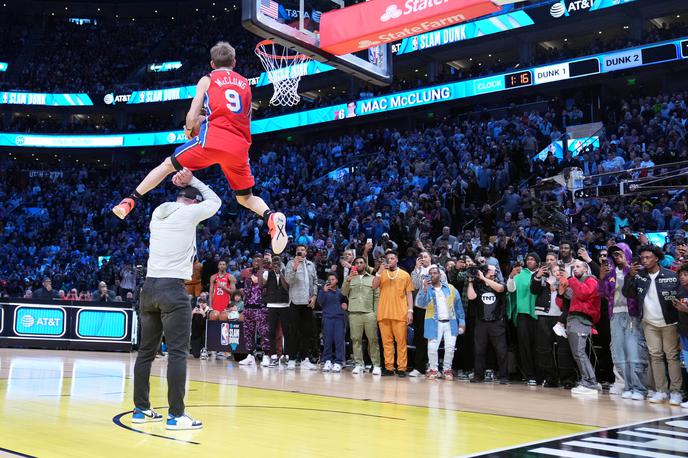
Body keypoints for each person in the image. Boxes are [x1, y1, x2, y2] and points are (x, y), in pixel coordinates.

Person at [112, 41, 287, 254]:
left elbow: (192, 114)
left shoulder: (208, 79)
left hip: (212, 141)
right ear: (234, 62)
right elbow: (244, 117)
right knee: (245, 198)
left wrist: (188, 129)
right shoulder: (245, 83)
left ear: (212, 63)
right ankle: (271, 217)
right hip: (239, 145)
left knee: (167, 165)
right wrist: (205, 121)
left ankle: (129, 201)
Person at [132, 168, 220, 430]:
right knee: (178, 354)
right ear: (194, 201)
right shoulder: (190, 212)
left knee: (145, 353)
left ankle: (141, 409)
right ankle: (176, 415)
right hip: (173, 289)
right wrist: (193, 179)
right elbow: (216, 201)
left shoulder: (158, 213)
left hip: (149, 288)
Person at [622, 244, 682, 405]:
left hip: (669, 322)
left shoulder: (671, 275)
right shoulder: (639, 276)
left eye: (648, 257)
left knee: (672, 357)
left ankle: (676, 392)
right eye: (642, 258)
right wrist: (630, 276)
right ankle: (661, 390)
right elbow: (628, 293)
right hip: (649, 323)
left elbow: (681, 295)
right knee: (655, 357)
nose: (644, 260)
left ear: (656, 258)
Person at [600, 243, 648, 401]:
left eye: (620, 253)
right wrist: (603, 277)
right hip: (615, 315)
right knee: (620, 353)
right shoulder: (611, 273)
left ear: (627, 252)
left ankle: (639, 388)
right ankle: (627, 386)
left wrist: (630, 270)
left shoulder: (636, 270)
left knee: (635, 351)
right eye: (614, 254)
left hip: (632, 314)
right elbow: (603, 293)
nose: (617, 256)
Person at [530, 260, 577, 389]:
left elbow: (572, 298)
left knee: (564, 349)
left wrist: (566, 280)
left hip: (561, 317)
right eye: (554, 271)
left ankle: (567, 379)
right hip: (543, 316)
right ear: (550, 271)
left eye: (558, 271)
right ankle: (550, 378)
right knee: (544, 349)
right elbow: (533, 290)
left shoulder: (567, 281)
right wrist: (538, 276)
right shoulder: (542, 280)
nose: (556, 273)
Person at [558, 260, 601, 396]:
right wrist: (561, 290)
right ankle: (588, 381)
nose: (575, 269)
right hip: (572, 318)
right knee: (577, 353)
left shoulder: (591, 280)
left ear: (586, 269)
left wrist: (570, 279)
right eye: (573, 267)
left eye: (578, 267)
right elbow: (561, 304)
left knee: (579, 352)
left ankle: (590, 383)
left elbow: (583, 294)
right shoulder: (574, 282)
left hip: (582, 319)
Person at [417, 265, 465, 380]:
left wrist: (462, 322)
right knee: (432, 348)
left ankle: (447, 370)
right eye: (430, 273)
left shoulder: (451, 288)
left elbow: (458, 306)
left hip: (451, 323)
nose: (432, 275)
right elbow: (421, 304)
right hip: (433, 323)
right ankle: (433, 369)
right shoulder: (426, 289)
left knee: (450, 348)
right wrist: (424, 289)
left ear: (440, 275)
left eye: (434, 273)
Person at [373, 251, 414, 377]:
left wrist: (410, 311)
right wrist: (379, 272)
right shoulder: (382, 274)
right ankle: (389, 367)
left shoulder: (405, 275)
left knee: (401, 342)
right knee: (386, 343)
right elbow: (373, 286)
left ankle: (401, 368)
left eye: (392, 258)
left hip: (400, 313)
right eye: (388, 258)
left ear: (396, 260)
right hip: (384, 313)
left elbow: (409, 294)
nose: (389, 260)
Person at [468, 264, 509, 384]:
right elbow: (471, 297)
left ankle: (504, 376)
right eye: (491, 271)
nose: (494, 273)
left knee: (501, 350)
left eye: (495, 271)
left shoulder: (499, 283)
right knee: (479, 350)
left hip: (496, 322)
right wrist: (471, 281)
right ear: (485, 272)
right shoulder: (478, 285)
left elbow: (500, 289)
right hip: (481, 322)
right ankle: (478, 375)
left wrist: (484, 278)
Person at [342, 256, 381, 375]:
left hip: (369, 313)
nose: (359, 264)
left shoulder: (372, 278)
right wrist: (348, 279)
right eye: (357, 263)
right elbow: (343, 292)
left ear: (365, 265)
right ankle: (358, 364)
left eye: (361, 262)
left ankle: (376, 365)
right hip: (354, 313)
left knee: (373, 340)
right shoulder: (349, 278)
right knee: (355, 340)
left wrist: (375, 314)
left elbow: (377, 297)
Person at [507, 252, 539, 385]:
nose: (529, 261)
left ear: (537, 262)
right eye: (528, 259)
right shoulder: (521, 274)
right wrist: (511, 276)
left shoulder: (543, 273)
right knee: (524, 346)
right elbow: (511, 289)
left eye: (532, 259)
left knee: (538, 346)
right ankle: (529, 374)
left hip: (539, 314)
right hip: (523, 313)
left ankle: (541, 373)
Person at [285, 245, 318, 370]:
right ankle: (292, 359)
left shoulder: (311, 265)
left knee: (307, 333)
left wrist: (314, 296)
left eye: (303, 250)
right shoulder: (290, 263)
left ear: (306, 252)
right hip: (294, 301)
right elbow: (288, 280)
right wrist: (294, 267)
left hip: (307, 302)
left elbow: (315, 282)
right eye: (299, 250)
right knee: (293, 332)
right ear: (296, 252)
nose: (301, 251)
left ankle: (305, 359)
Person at [260, 255, 292, 367]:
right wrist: (261, 268)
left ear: (281, 262)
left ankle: (286, 355)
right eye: (274, 261)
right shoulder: (267, 273)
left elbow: (286, 287)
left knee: (286, 332)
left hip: (284, 305)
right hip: (272, 304)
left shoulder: (286, 272)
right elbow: (261, 285)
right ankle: (273, 356)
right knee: (272, 332)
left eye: (278, 260)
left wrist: (280, 274)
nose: (276, 263)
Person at [239, 254, 270, 367]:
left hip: (260, 307)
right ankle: (250, 356)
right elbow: (242, 276)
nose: (256, 262)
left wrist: (260, 276)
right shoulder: (248, 272)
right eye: (254, 260)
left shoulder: (266, 272)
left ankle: (266, 356)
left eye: (259, 260)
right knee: (248, 333)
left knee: (264, 332)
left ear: (262, 262)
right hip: (248, 307)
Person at [317, 273, 347, 372]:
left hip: (339, 319)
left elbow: (345, 303)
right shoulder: (324, 291)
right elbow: (320, 302)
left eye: (333, 279)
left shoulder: (341, 292)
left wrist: (345, 305)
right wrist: (324, 292)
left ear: (337, 280)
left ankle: (338, 362)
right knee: (327, 341)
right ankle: (327, 361)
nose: (331, 281)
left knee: (339, 341)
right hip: (327, 318)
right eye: (329, 279)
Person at [672, 263, 688, 408]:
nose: (682, 278)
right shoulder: (681, 292)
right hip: (684, 333)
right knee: (687, 366)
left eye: (685, 275)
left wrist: (686, 309)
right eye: (680, 275)